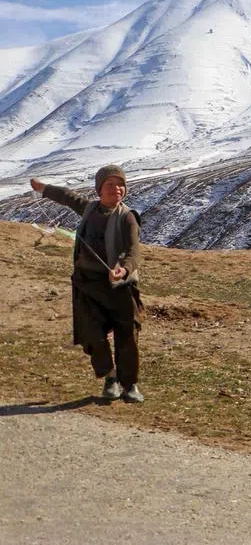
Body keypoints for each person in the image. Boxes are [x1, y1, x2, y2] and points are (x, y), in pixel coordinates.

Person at [30, 166, 145, 403]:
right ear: (99, 189)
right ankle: (110, 377)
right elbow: (68, 197)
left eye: (120, 184)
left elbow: (134, 251)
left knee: (128, 335)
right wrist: (43, 189)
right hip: (87, 285)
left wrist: (124, 269)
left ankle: (130, 384)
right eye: (110, 184)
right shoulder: (90, 209)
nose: (117, 189)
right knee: (92, 334)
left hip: (119, 286)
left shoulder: (128, 217)